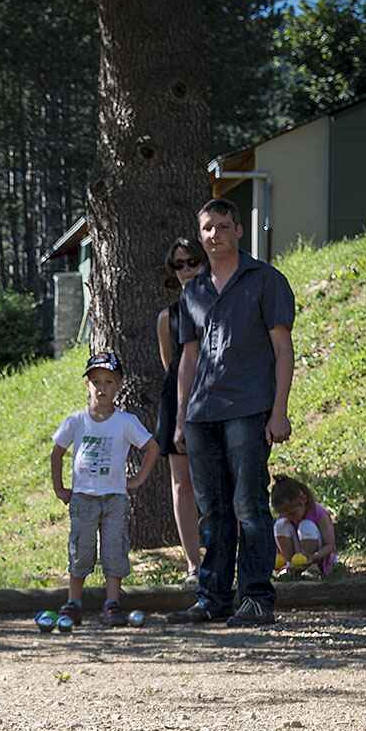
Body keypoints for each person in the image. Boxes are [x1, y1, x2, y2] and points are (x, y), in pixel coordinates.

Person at [171, 198, 297, 627]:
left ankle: (257, 598)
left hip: (249, 408)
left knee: (248, 504)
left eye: (223, 226)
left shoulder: (266, 280)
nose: (214, 235)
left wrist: (279, 412)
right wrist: (180, 417)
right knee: (213, 509)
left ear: (238, 230)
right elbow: (188, 358)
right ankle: (213, 597)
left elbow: (283, 349)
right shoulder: (194, 290)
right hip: (201, 413)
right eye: (207, 228)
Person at [50, 351, 160, 626]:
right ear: (87, 384)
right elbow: (57, 453)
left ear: (119, 385)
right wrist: (60, 488)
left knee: (114, 548)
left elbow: (152, 447)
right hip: (83, 498)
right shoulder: (76, 421)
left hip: (115, 499)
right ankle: (74, 602)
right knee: (81, 549)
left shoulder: (125, 422)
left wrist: (137, 479)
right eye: (96, 381)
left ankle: (112, 603)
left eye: (109, 382)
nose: (102, 388)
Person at [154, 236, 210, 584]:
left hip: (219, 397)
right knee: (182, 485)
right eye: (179, 264)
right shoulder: (167, 317)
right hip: (178, 400)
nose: (186, 269)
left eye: (192, 261)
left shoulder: (221, 306)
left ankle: (225, 556)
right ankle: (193, 564)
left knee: (223, 483)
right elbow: (170, 364)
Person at [269, 474, 337, 578]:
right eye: (284, 514)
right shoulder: (286, 518)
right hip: (297, 553)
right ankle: (291, 566)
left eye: (292, 513)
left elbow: (330, 545)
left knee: (306, 526)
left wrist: (314, 557)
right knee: (280, 525)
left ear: (303, 500)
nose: (289, 518)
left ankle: (313, 568)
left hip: (318, 556)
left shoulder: (319, 514)